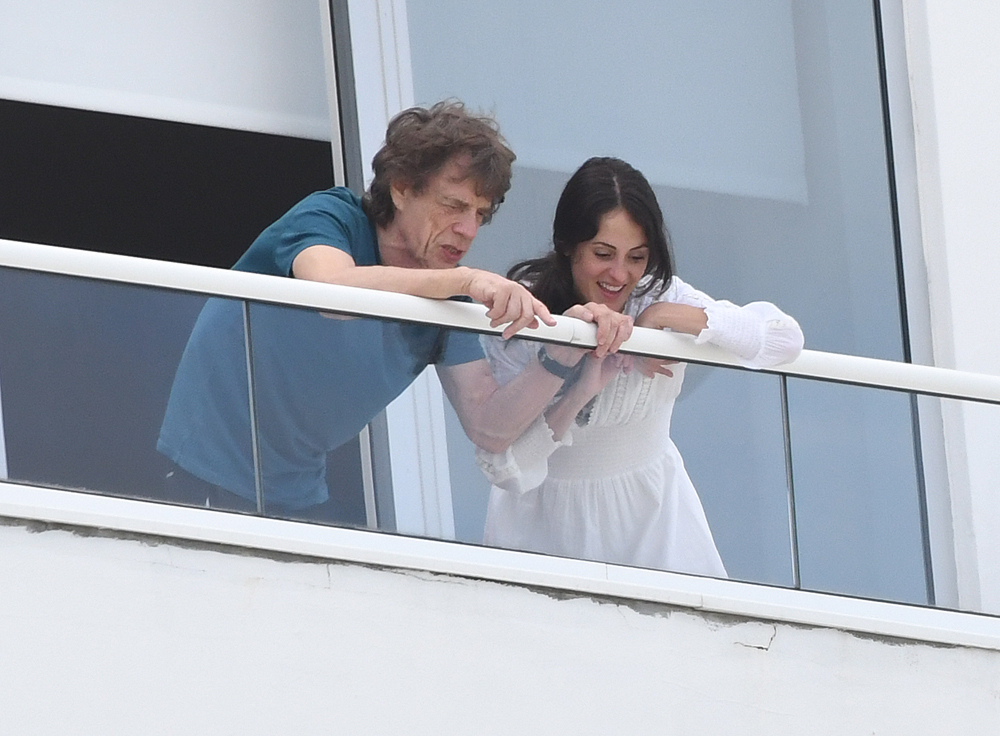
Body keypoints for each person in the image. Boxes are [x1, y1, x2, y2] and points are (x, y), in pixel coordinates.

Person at [156, 102, 629, 518]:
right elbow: (332, 291)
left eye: (480, 215)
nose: (468, 230)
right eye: (453, 205)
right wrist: (464, 280)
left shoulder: (451, 295)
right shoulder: (331, 216)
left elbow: (489, 427)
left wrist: (565, 353)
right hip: (198, 472)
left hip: (294, 494)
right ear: (401, 188)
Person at [475, 157, 804, 576]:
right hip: (544, 526)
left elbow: (783, 339)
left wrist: (664, 318)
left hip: (656, 519)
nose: (620, 274)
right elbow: (507, 468)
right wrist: (575, 369)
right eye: (603, 253)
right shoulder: (526, 312)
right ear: (566, 243)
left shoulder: (655, 295)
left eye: (637, 257)